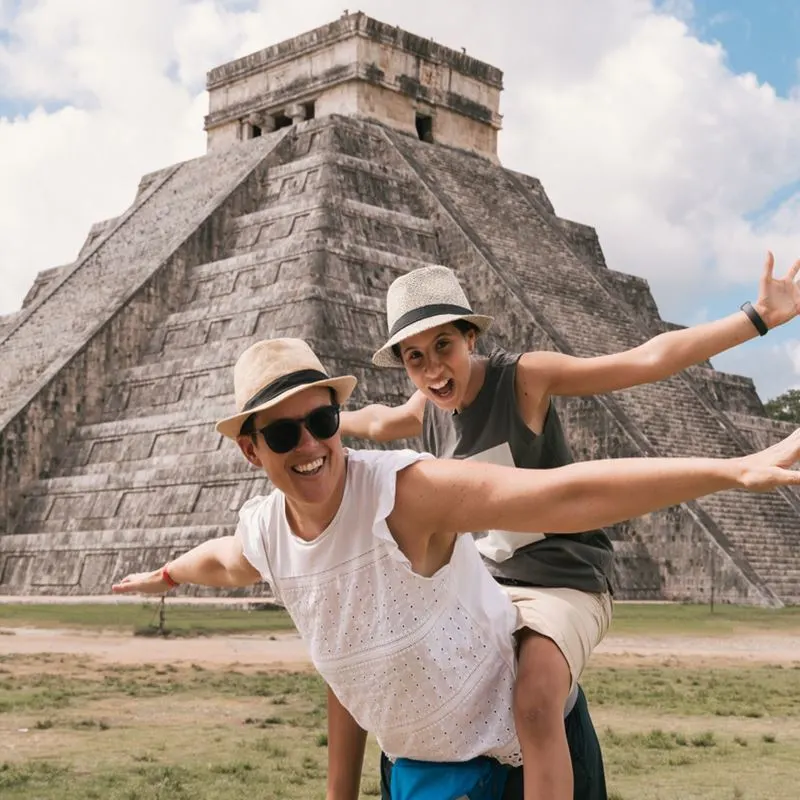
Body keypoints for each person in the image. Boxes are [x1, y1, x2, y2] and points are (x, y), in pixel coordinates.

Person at [112, 337, 800, 800]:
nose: (312, 445)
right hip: (414, 766)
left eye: (323, 421)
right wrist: (167, 576)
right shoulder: (266, 528)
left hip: (511, 766)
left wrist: (730, 471)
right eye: (284, 434)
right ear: (252, 453)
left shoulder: (403, 491)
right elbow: (226, 563)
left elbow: (563, 495)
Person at [340, 253, 800, 799]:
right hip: (486, 589)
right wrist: (310, 420)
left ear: (470, 338)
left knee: (535, 704)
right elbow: (373, 420)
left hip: (563, 580)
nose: (434, 369)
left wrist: (758, 317)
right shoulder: (427, 406)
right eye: (415, 358)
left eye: (444, 345)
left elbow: (645, 360)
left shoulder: (523, 379)